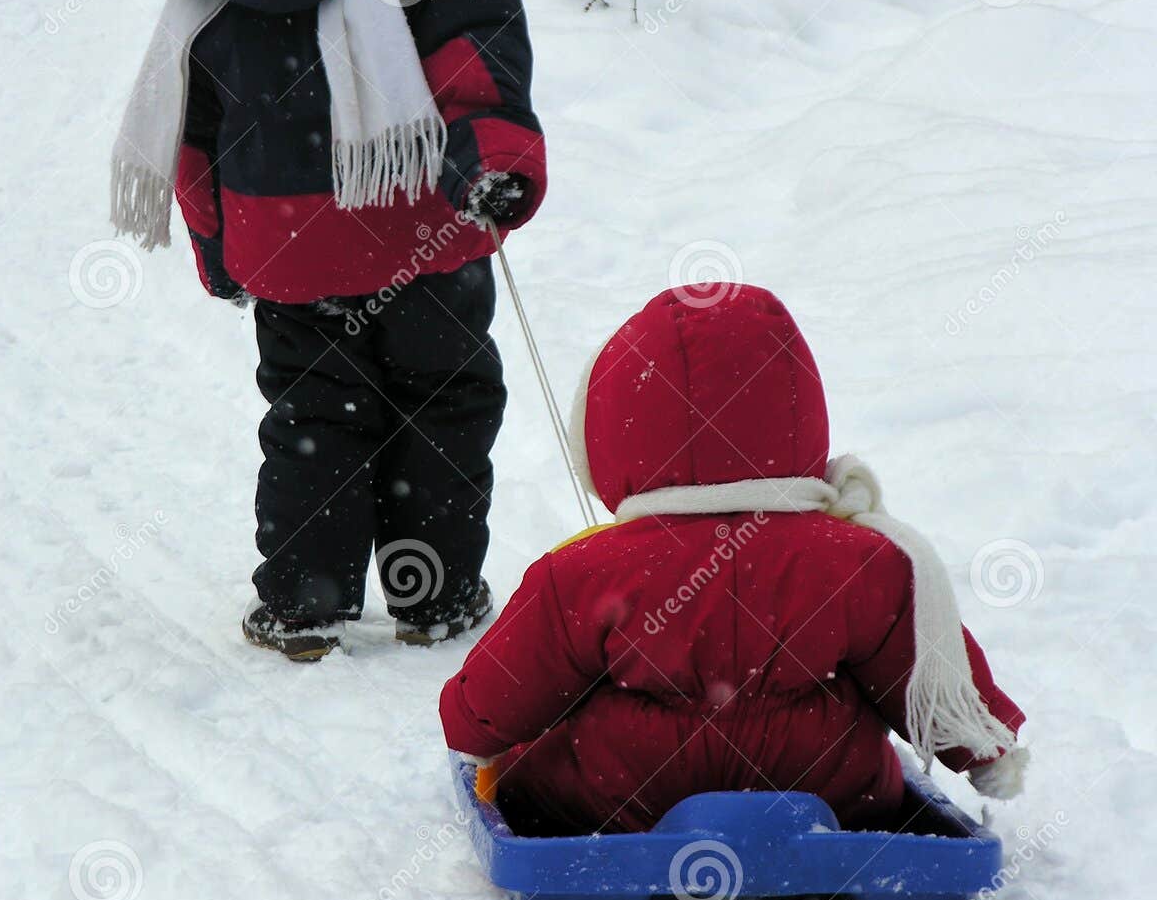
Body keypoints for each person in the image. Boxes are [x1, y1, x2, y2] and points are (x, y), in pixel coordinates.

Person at [111, 0, 545, 660]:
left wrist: (220, 247)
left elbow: (199, 124)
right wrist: (497, 168)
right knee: (443, 402)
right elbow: (476, 69)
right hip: (425, 233)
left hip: (288, 247)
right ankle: (434, 596)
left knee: (314, 413)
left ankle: (305, 602)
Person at [440, 285, 1027, 834]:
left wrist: (471, 723)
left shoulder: (588, 571)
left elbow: (496, 700)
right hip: (826, 790)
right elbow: (927, 671)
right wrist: (984, 751)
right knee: (864, 768)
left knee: (541, 764)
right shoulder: (861, 559)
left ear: (616, 428)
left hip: (623, 796)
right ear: (797, 410)